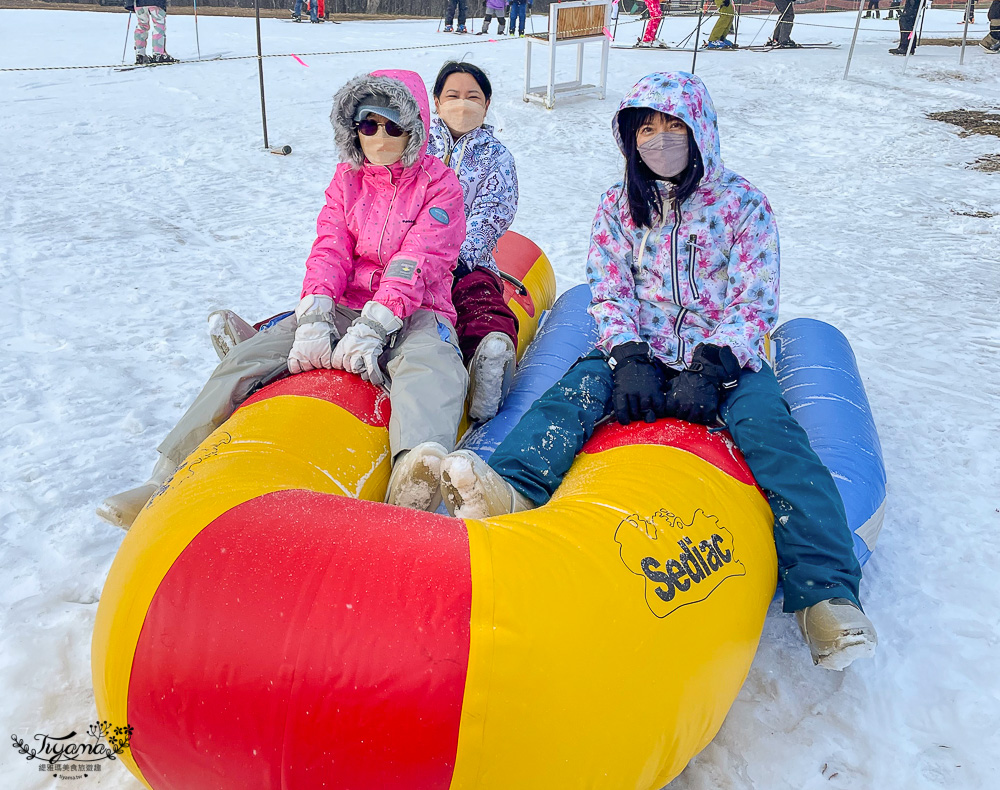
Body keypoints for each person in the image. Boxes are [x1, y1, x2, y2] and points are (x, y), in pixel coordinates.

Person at [436, 71, 878, 672]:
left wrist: (716, 363)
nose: (660, 140)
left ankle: (825, 592)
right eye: (648, 128)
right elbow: (610, 288)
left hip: (722, 356)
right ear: (629, 136)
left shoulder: (742, 205)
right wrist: (627, 353)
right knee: (567, 403)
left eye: (674, 127)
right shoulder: (619, 205)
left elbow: (755, 300)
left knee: (778, 443)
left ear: (699, 132)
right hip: (639, 348)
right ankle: (510, 487)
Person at [97, 69, 469, 527]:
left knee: (432, 365)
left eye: (392, 124)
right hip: (346, 302)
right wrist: (315, 314)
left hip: (418, 308)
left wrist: (376, 325)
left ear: (414, 129)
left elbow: (418, 259)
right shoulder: (347, 181)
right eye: (367, 124)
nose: (379, 135)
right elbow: (330, 248)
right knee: (249, 357)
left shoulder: (440, 185)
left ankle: (413, 475)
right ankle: (168, 476)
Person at [426, 62, 520, 423]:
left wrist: (461, 255)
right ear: (436, 102)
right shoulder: (415, 148)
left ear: (487, 102)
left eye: (472, 97)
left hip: (468, 259)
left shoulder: (496, 156)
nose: (462, 104)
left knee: (478, 298)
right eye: (452, 96)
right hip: (413, 257)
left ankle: (488, 359)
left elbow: (495, 210)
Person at [127, 0, 175, 65]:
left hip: (138, 3)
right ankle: (158, 54)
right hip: (155, 3)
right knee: (158, 25)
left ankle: (140, 54)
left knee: (142, 25)